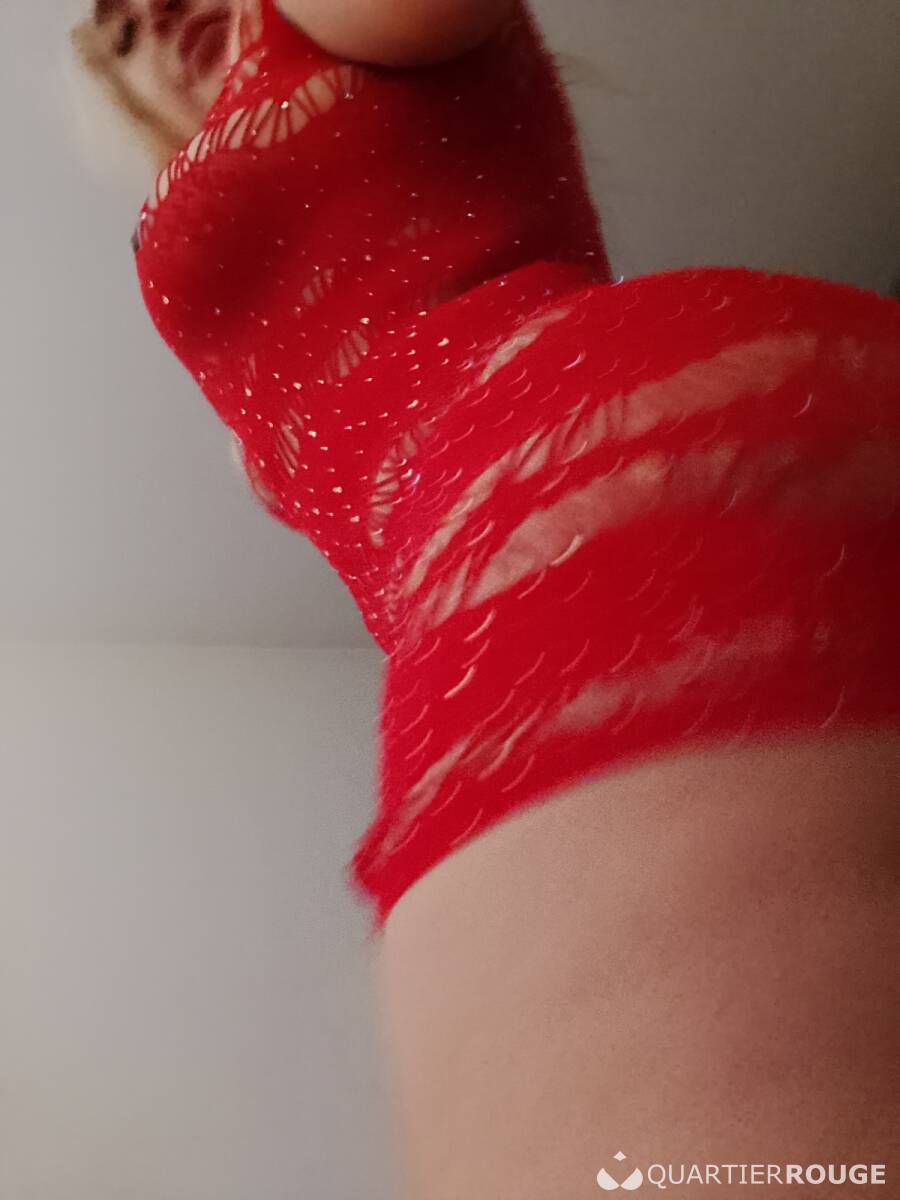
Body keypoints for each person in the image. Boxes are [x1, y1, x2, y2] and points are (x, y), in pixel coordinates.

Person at [72, 1, 900, 1195]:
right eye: (115, 29)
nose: (146, 11)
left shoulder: (327, 37)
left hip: (589, 473)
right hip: (563, 513)